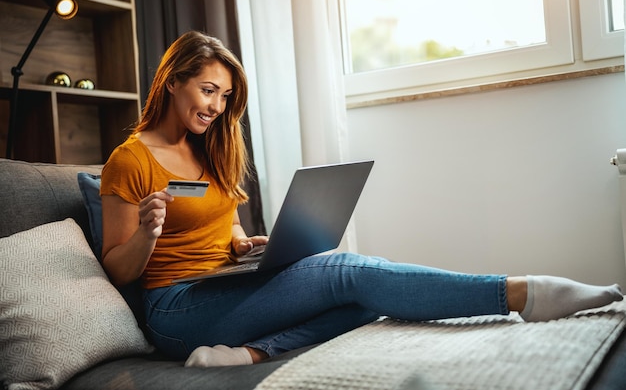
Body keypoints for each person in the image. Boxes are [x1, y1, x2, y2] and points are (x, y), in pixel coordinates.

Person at [100, 30, 623, 368]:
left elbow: (223, 227)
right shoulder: (131, 160)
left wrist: (244, 245)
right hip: (176, 311)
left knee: (362, 293)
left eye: (225, 96)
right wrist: (148, 232)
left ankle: (251, 354)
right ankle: (522, 294)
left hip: (228, 288)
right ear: (172, 82)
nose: (217, 106)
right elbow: (119, 269)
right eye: (208, 90)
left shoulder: (209, 150)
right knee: (347, 271)